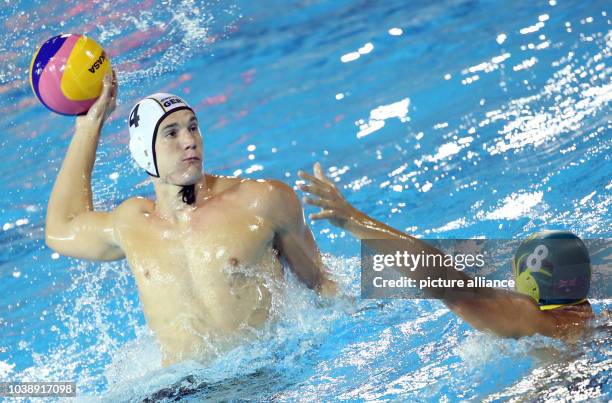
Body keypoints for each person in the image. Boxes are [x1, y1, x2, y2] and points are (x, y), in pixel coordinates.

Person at [44, 72, 337, 366]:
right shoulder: (132, 224)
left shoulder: (261, 201)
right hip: (180, 388)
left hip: (264, 375)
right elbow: (61, 227)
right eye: (171, 133)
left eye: (193, 128)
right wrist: (88, 127)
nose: (189, 141)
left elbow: (322, 285)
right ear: (144, 152)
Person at [298, 163, 595, 342]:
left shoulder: (534, 320)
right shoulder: (595, 320)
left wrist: (352, 219)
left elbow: (446, 280)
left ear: (530, 284)